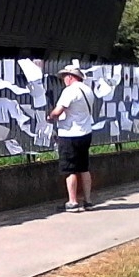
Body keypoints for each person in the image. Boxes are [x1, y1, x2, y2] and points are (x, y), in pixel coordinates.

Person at [47, 65, 95, 212]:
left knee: (70, 169)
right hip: (86, 133)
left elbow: (58, 110)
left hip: (70, 134)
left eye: (64, 77)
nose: (63, 80)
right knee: (84, 168)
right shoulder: (88, 90)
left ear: (70, 76)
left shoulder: (70, 91)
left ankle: (72, 202)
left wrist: (50, 117)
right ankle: (88, 200)